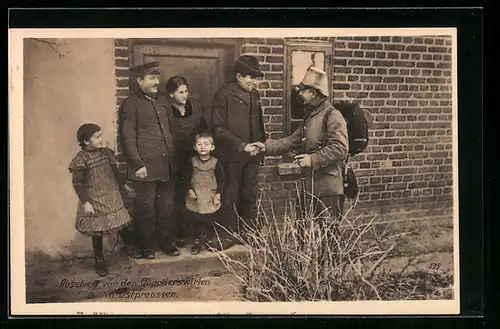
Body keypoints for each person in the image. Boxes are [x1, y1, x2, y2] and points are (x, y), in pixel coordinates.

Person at [252, 66, 349, 222]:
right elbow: (292, 140)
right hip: (309, 184)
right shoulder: (311, 116)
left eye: (303, 90)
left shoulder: (333, 115)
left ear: (313, 93)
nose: (300, 93)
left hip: (328, 187)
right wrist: (266, 147)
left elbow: (340, 148)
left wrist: (312, 160)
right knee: (302, 228)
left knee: (329, 233)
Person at [118, 61, 180, 259]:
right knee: (145, 209)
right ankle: (146, 246)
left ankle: (166, 242)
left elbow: (173, 130)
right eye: (151, 78)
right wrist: (137, 164)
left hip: (166, 165)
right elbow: (127, 137)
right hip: (145, 166)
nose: (156, 82)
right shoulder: (131, 104)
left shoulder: (163, 100)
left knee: (167, 207)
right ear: (139, 80)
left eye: (157, 77)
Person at [68, 123, 136, 277]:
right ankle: (99, 259)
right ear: (86, 141)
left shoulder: (106, 153)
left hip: (111, 194)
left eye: (101, 136)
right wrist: (86, 202)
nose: (101, 139)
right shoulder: (81, 159)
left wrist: (124, 185)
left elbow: (115, 171)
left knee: (121, 221)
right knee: (97, 231)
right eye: (97, 137)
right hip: (95, 199)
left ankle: (130, 247)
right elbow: (77, 183)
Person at [211, 55, 266, 240]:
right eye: (250, 77)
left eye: (255, 77)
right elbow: (217, 129)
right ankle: (227, 236)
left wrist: (261, 145)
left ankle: (250, 234)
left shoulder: (254, 94)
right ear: (239, 76)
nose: (253, 82)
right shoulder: (224, 95)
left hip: (253, 156)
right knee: (230, 195)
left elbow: (258, 124)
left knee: (250, 194)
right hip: (231, 156)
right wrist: (242, 146)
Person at [164, 76, 209, 249]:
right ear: (171, 94)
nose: (185, 95)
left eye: (186, 91)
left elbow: (203, 128)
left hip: (193, 157)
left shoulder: (195, 106)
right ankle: (179, 234)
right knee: (176, 197)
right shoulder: (165, 110)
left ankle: (197, 234)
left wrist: (200, 145)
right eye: (180, 92)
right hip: (174, 159)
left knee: (196, 192)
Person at [180, 132, 226, 255]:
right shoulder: (192, 162)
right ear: (195, 147)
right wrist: (189, 190)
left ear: (212, 147)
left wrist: (218, 194)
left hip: (209, 196)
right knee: (195, 219)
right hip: (196, 195)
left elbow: (222, 180)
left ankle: (207, 241)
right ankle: (196, 242)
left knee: (208, 220)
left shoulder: (216, 163)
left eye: (206, 144)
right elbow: (185, 178)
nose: (203, 147)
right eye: (199, 144)